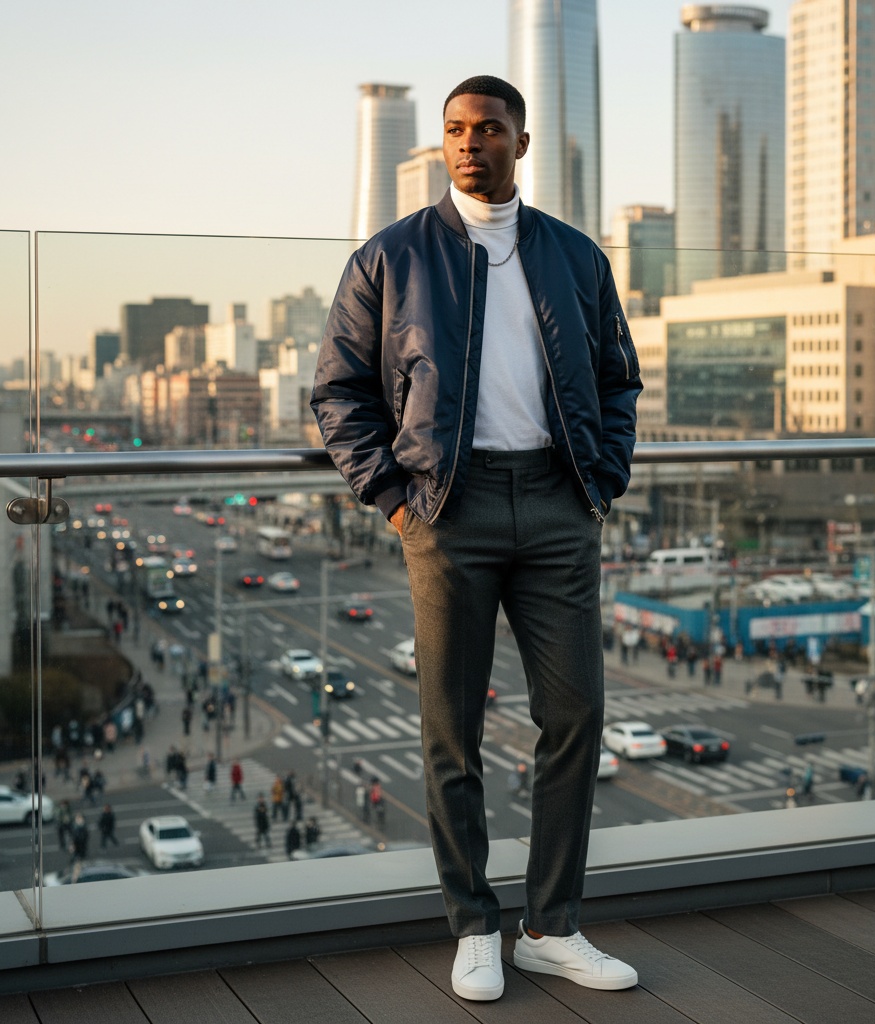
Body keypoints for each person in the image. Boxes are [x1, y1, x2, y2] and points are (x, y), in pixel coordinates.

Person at [312, 75, 640, 1002]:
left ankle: (550, 925)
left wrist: (601, 482)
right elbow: (338, 392)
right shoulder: (391, 257)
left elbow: (619, 380)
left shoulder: (576, 257)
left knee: (575, 716)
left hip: (556, 503)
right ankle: (472, 926)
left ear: (519, 144)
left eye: (487, 129)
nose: (468, 144)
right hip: (443, 510)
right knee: (450, 733)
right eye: (455, 130)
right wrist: (395, 499)